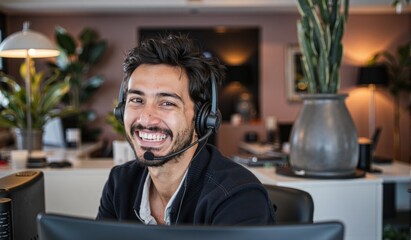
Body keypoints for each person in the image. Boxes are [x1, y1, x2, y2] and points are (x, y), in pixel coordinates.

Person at [97, 33, 276, 225]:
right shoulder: (121, 183)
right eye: (137, 100)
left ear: (201, 118)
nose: (145, 118)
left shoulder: (238, 198)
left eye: (166, 103)